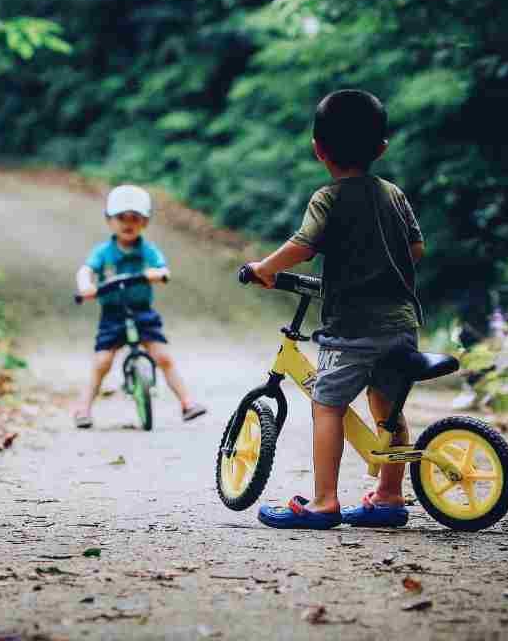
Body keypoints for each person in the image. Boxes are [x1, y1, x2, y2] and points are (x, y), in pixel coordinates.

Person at [244, 89, 425, 529]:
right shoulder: (394, 194)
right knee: (387, 406)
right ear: (382, 148)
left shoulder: (327, 198)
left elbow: (303, 247)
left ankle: (325, 501)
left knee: (327, 405)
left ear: (317, 149)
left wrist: (264, 269)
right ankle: (388, 497)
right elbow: (416, 248)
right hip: (401, 323)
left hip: (351, 326)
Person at [72, 184, 207, 429]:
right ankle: (83, 408)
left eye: (135, 218)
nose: (128, 223)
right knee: (102, 361)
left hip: (142, 312)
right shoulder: (103, 252)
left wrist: (158, 273)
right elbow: (86, 270)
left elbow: (162, 268)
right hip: (113, 315)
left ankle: (187, 403)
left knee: (163, 357)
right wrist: (85, 286)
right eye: (121, 218)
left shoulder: (147, 250)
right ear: (109, 221)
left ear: (144, 223)